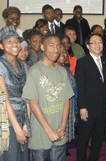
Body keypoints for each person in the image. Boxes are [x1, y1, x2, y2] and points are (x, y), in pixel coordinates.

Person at [22, 34, 74, 161]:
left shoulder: (62, 71)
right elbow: (33, 103)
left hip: (60, 132)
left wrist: (63, 126)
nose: (55, 50)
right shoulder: (35, 71)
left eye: (58, 46)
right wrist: (49, 131)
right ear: (42, 47)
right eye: (51, 45)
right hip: (41, 133)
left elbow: (66, 100)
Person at [75, 34, 106, 161]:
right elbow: (80, 88)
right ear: (88, 46)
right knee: (83, 138)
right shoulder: (82, 62)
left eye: (100, 42)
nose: (98, 45)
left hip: (102, 107)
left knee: (98, 138)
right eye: (94, 42)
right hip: (87, 108)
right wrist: (82, 107)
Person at [0, 26, 31, 161]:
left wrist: (26, 123)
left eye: (17, 41)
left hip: (23, 116)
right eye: (9, 41)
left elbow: (27, 96)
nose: (14, 44)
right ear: (1, 46)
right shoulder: (1, 65)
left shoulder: (23, 65)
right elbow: (4, 100)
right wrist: (18, 129)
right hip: (6, 120)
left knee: (24, 157)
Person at [56, 44, 78, 156]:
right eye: (60, 52)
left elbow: (73, 88)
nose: (63, 55)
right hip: (57, 109)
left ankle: (63, 149)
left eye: (65, 52)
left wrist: (74, 110)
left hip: (69, 105)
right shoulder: (52, 69)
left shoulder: (66, 69)